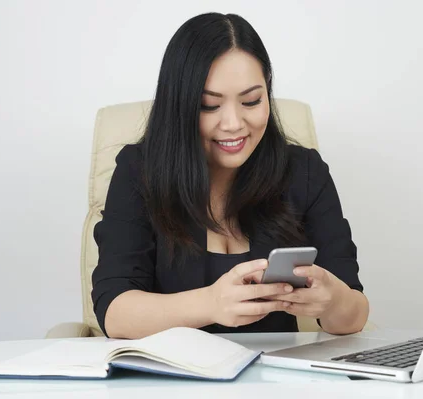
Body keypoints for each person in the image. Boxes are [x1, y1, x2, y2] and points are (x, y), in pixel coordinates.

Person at [91, 12, 369, 339]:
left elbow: (353, 315)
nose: (234, 123)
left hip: (273, 384)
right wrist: (210, 303)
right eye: (209, 106)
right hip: (172, 382)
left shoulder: (304, 172)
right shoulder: (140, 172)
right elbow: (115, 313)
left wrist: (333, 300)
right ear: (179, 106)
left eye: (252, 101)